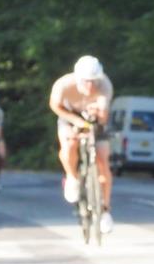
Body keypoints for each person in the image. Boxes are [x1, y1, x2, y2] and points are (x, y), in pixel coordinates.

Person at [49, 55, 114, 233]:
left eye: (94, 81)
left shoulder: (105, 85)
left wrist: (98, 114)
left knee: (103, 160)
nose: (90, 86)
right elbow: (55, 106)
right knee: (68, 145)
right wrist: (75, 122)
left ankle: (106, 211)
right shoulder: (63, 85)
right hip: (70, 116)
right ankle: (72, 177)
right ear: (78, 78)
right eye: (86, 81)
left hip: (94, 118)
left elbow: (103, 117)